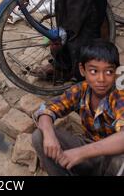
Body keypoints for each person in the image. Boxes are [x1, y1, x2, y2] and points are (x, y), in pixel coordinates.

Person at [32, 40, 124, 176]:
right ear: (82, 70)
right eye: (93, 71)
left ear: (116, 72)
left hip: (113, 157)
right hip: (89, 149)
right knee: (39, 136)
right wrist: (49, 135)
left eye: (109, 72)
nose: (101, 79)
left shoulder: (119, 95)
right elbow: (46, 109)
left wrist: (81, 153)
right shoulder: (80, 90)